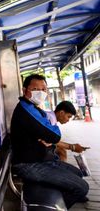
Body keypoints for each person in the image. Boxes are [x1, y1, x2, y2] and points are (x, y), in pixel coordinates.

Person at [11, 74, 89, 209]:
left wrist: (47, 133)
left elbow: (49, 134)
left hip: (42, 160)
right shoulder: (26, 109)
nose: (40, 93)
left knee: (78, 174)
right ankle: (53, 206)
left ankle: (58, 197)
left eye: (43, 89)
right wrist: (49, 133)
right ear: (24, 91)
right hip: (29, 165)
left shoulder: (34, 108)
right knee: (82, 187)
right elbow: (54, 135)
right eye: (35, 89)